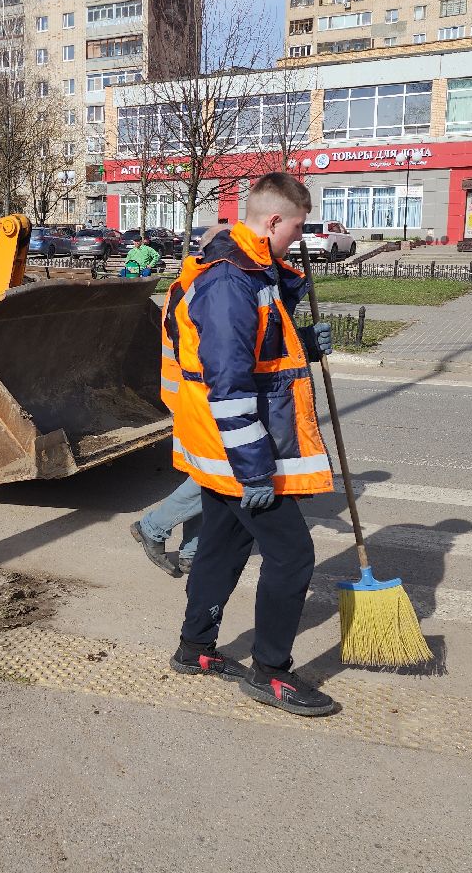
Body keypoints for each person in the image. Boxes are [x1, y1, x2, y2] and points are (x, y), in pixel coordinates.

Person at [166, 172, 338, 718]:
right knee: (292, 555)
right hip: (239, 447)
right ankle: (271, 672)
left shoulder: (250, 270)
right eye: (297, 228)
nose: (299, 238)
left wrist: (302, 344)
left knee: (222, 545)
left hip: (227, 446)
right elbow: (228, 382)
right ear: (273, 221)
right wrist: (256, 470)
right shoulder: (230, 280)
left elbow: (258, 354)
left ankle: (194, 649)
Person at [131, 225, 230, 578]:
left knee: (203, 472)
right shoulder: (195, 288)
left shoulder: (198, 284)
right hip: (195, 398)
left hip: (195, 396)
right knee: (217, 474)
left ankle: (192, 552)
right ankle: (153, 526)